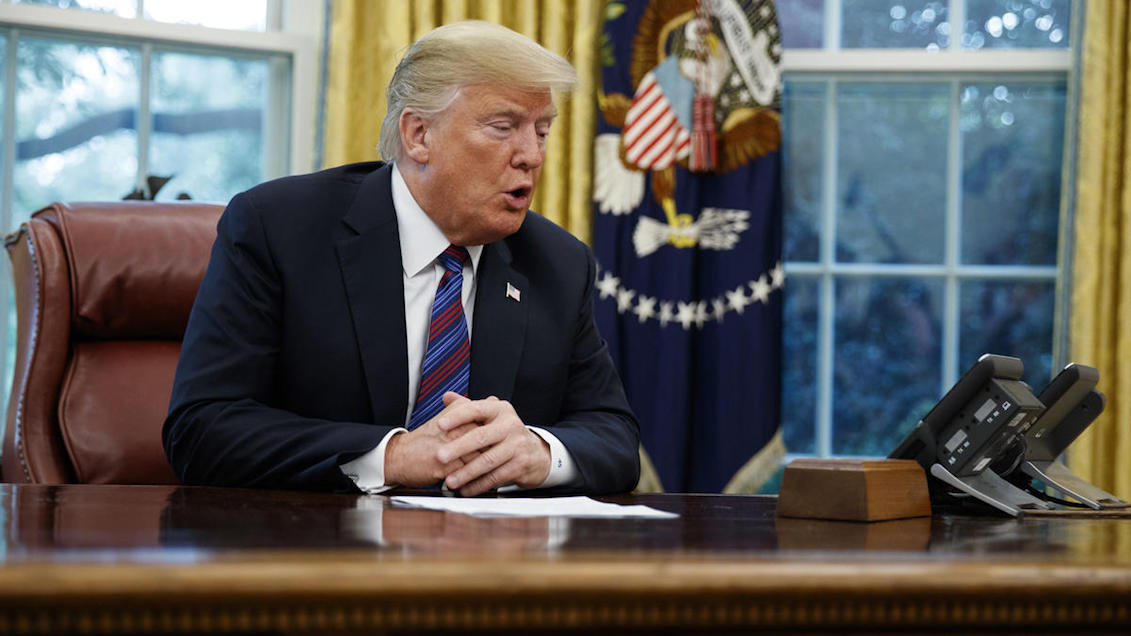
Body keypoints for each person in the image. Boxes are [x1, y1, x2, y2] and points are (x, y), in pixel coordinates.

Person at [163, 21, 640, 496]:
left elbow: (614, 436)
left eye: (541, 131)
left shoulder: (557, 262)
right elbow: (203, 427)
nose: (532, 156)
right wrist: (391, 456)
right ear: (418, 135)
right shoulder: (278, 229)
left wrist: (540, 451)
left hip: (488, 560)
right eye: (503, 127)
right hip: (315, 551)